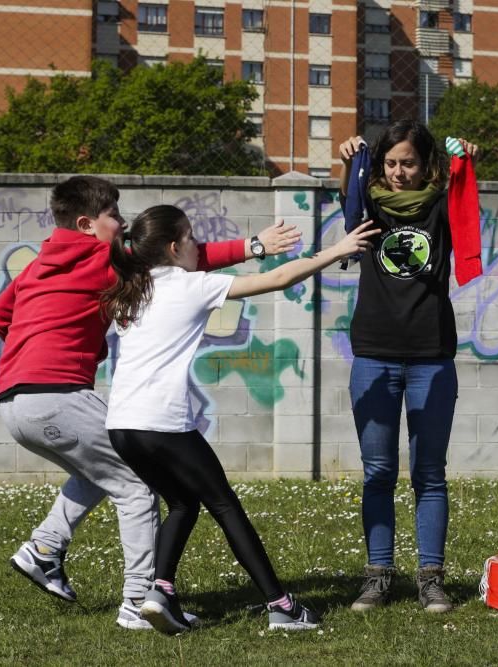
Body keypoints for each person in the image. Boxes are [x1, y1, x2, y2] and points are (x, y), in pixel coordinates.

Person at [0, 176, 299, 630]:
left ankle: (45, 547)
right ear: (86, 224)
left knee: (99, 467)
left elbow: (0, 314)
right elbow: (174, 257)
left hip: (13, 400)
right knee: (136, 483)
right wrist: (254, 245)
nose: (121, 224)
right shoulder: (101, 256)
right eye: (113, 216)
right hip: (57, 394)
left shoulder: (36, 266)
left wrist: (30, 346)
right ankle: (138, 601)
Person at [101, 205, 376, 634]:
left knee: (183, 503)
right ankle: (281, 606)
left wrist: (253, 245)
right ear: (175, 248)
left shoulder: (131, 291)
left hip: (121, 427)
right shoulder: (190, 285)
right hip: (162, 423)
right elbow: (278, 278)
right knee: (225, 504)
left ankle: (161, 594)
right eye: (192, 239)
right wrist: (336, 250)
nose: (199, 247)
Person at [337, 120, 480, 613]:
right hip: (373, 355)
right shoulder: (368, 204)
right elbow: (348, 211)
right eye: (390, 163)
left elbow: (465, 205)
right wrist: (347, 163)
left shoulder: (440, 204)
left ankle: (430, 578)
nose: (398, 173)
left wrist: (467, 162)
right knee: (377, 471)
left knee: (429, 473)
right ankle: (377, 576)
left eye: (409, 163)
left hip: (431, 358)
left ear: (426, 166)